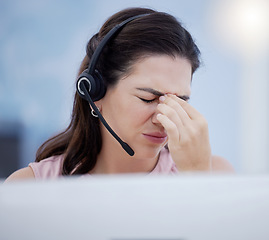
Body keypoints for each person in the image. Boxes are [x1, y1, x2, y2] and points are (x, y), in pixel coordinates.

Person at [5, 7, 234, 182]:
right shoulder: (31, 186)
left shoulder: (214, 175)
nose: (164, 119)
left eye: (180, 101)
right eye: (148, 98)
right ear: (94, 92)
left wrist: (197, 179)